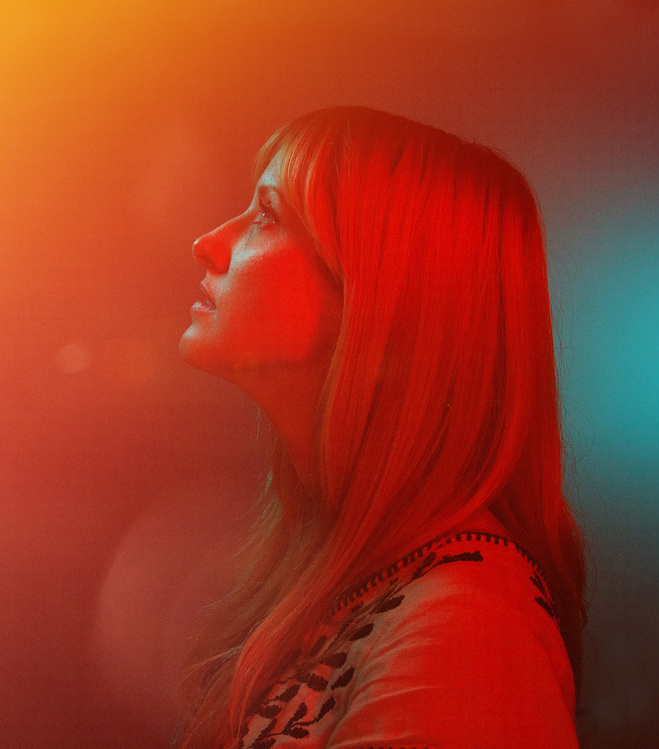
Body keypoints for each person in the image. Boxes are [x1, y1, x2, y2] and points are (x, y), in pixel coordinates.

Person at [177, 106, 586, 748]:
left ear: (380, 292)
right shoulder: (350, 571)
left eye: (267, 215)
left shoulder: (464, 626)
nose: (207, 242)